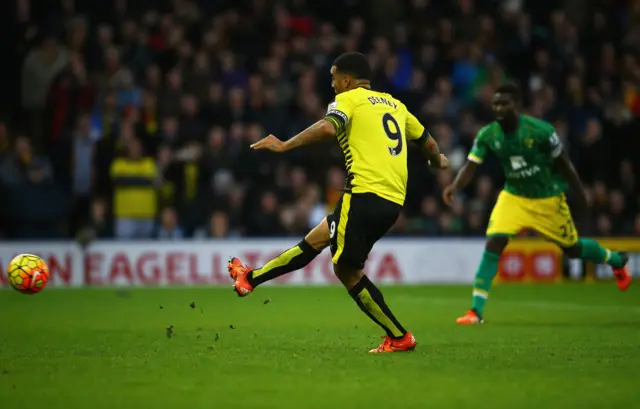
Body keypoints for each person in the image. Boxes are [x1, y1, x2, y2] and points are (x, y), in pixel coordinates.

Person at [227, 52, 449, 353]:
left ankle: (399, 336)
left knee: (346, 271)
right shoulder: (396, 105)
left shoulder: (348, 99)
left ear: (347, 80)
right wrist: (438, 161)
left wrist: (284, 144)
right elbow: (430, 144)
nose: (332, 84)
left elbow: (328, 127)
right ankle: (249, 280)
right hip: (393, 202)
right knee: (316, 238)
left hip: (363, 194)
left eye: (333, 78)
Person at [443, 83, 631, 325]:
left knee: (572, 249)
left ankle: (617, 261)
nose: (499, 108)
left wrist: (581, 194)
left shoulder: (541, 131)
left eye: (504, 103)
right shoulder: (488, 134)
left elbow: (564, 164)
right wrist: (455, 187)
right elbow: (471, 165)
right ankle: (475, 312)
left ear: (517, 105)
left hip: (547, 199)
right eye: (496, 104)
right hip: (514, 197)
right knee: (494, 241)